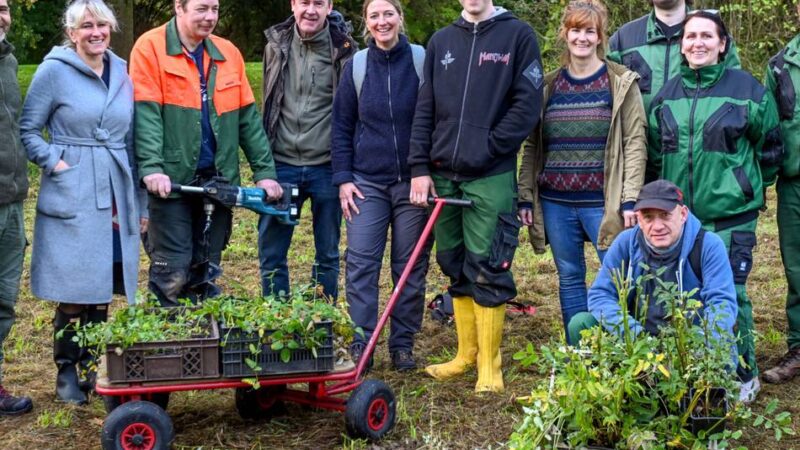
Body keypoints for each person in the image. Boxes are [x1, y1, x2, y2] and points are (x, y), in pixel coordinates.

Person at [647, 10, 783, 402]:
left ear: (723, 44)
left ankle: (743, 373)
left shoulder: (748, 90)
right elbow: (657, 157)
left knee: (730, 294)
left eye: (707, 36)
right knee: (683, 292)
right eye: (691, 37)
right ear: (682, 45)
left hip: (731, 215)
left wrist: (746, 186)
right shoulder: (666, 95)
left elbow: (771, 146)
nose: (698, 43)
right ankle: (695, 368)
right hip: (681, 218)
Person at [409, 0, 543, 392]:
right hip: (442, 173)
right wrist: (420, 166)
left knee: (488, 264)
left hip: (489, 174)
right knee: (453, 260)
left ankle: (491, 365)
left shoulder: (518, 36)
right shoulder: (441, 41)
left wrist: (489, 146)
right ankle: (465, 354)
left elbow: (527, 105)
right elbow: (425, 106)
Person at [20, 0, 147, 405]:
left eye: (103, 25)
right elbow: (28, 130)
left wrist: (138, 202)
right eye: (87, 26)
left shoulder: (123, 71)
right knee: (75, 288)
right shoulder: (53, 71)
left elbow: (130, 139)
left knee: (103, 287)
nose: (97, 32)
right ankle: (66, 370)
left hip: (115, 188)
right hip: (73, 189)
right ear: (72, 33)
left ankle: (95, 366)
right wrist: (56, 162)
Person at [131, 0, 282, 306]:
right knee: (172, 270)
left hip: (218, 182)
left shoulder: (228, 53)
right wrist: (152, 168)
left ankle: (202, 348)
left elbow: (248, 122)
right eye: (201, 9)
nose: (210, 17)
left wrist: (265, 174)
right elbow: (146, 117)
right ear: (179, 7)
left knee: (206, 269)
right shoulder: (150, 49)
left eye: (214, 9)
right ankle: (168, 344)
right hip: (171, 183)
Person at [518, 0, 646, 343]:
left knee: (620, 276)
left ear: (600, 36)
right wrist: (525, 196)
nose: (582, 38)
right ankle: (580, 352)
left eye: (590, 31)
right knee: (571, 276)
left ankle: (624, 347)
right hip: (557, 201)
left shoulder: (620, 82)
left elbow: (635, 142)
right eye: (576, 30)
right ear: (565, 33)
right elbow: (532, 147)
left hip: (604, 202)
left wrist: (630, 197)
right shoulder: (547, 86)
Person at [331, 0, 428, 371]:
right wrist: (343, 179)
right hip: (366, 183)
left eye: (389, 14)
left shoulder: (421, 61)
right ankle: (363, 342)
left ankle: (402, 344)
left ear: (400, 18)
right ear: (366, 22)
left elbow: (434, 118)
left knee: (408, 267)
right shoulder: (355, 67)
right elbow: (341, 126)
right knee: (360, 263)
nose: (382, 21)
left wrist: (426, 170)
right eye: (375, 15)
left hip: (412, 184)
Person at [568, 180, 738, 354]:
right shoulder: (626, 243)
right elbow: (600, 295)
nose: (657, 226)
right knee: (581, 323)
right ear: (639, 219)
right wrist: (637, 338)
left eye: (665, 215)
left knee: (722, 336)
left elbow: (722, 304)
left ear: (683, 214)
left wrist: (696, 347)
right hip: (639, 341)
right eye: (648, 217)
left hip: (691, 343)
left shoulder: (708, 245)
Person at [259, 0, 357, 301]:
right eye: (304, 2)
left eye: (319, 3)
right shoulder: (276, 45)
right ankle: (276, 319)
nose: (310, 10)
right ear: (293, 4)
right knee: (272, 252)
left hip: (327, 166)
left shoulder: (345, 50)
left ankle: (320, 319)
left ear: (329, 7)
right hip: (282, 164)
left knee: (327, 252)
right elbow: (268, 98)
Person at [607, 0, 740, 113]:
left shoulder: (713, 39)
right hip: (639, 142)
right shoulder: (623, 39)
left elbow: (735, 98)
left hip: (699, 140)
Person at [763, 2, 800, 384]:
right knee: (796, 266)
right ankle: (799, 345)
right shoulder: (779, 64)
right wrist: (763, 182)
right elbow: (771, 130)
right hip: (794, 183)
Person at [0, 0, 32, 416]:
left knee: (4, 301)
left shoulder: (9, 61)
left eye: (4, 7)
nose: (1, 15)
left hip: (12, 199)